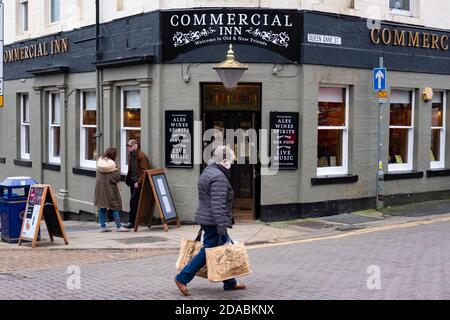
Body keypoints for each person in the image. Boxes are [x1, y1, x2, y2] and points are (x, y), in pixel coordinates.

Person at [175, 145, 246, 296]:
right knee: (208, 252)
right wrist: (222, 226)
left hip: (208, 218)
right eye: (231, 162)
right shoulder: (219, 177)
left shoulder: (208, 171)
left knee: (223, 250)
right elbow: (218, 204)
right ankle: (182, 278)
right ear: (224, 160)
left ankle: (230, 283)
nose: (231, 165)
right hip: (214, 221)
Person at [94, 148, 130, 232]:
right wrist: (118, 170)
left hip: (100, 188)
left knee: (102, 206)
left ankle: (103, 226)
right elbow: (116, 178)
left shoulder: (100, 162)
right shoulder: (112, 165)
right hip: (110, 189)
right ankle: (119, 226)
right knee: (115, 206)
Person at [124, 139, 151, 229]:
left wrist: (138, 182)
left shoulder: (142, 156)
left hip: (139, 183)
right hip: (132, 181)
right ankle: (133, 221)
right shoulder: (131, 154)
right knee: (134, 202)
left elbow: (145, 171)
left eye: (129, 146)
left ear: (136, 146)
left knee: (133, 201)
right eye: (127, 146)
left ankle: (132, 222)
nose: (128, 148)